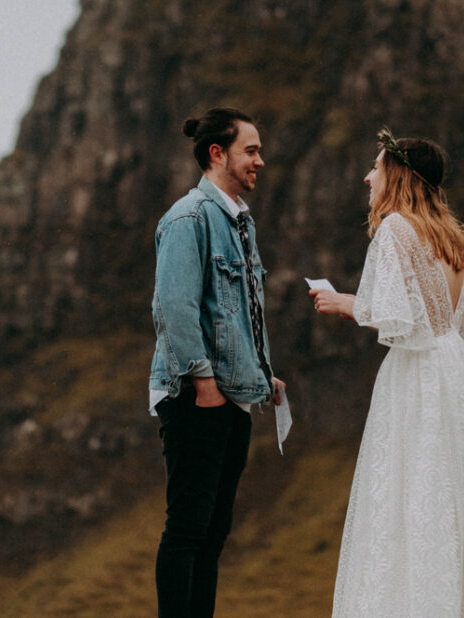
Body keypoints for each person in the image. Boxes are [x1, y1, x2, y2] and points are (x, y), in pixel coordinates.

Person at [309, 128, 464, 617]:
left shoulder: (396, 230)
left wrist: (345, 303)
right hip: (457, 372)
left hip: (420, 375)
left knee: (410, 499)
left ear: (398, 175)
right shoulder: (451, 237)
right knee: (458, 498)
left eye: (377, 167)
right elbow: (442, 314)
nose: (368, 177)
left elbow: (395, 316)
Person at [149, 107, 286, 618]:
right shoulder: (188, 218)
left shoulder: (239, 223)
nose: (260, 161)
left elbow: (235, 312)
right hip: (195, 397)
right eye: (251, 150)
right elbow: (174, 307)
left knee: (212, 532)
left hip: (233, 396)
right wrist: (203, 381)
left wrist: (260, 372)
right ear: (217, 153)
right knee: (187, 527)